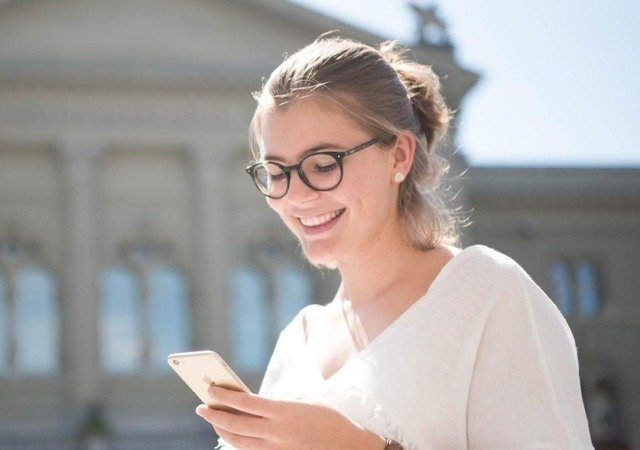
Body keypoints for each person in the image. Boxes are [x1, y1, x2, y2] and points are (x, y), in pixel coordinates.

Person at [195, 35, 594, 449]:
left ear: (399, 155)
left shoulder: (486, 293)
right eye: (277, 172)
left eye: (324, 164)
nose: (296, 196)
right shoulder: (300, 339)